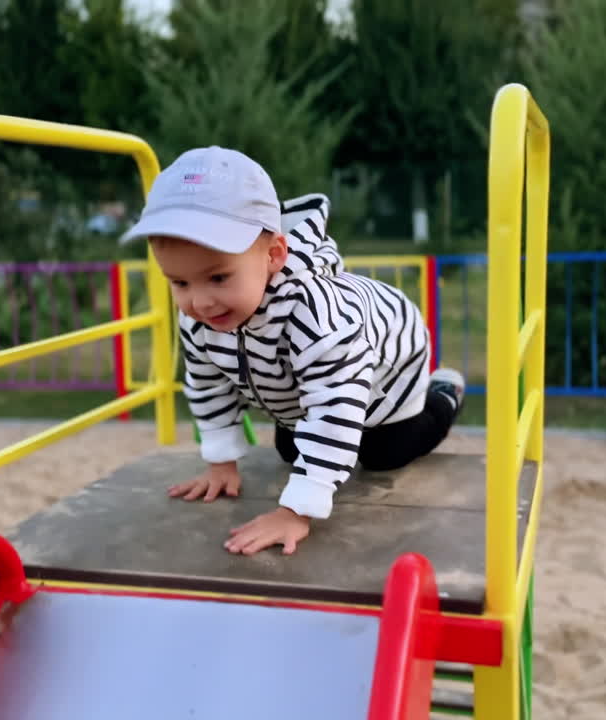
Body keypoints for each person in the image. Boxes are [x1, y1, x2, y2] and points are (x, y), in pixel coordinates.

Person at [119, 146, 465, 556]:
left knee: (382, 453)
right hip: (301, 390)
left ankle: (443, 394)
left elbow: (338, 403)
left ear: (274, 255)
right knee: (291, 450)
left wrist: (296, 511)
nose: (201, 302)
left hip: (385, 373)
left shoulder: (313, 315)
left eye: (218, 276)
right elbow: (207, 381)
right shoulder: (200, 317)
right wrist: (221, 462)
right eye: (180, 283)